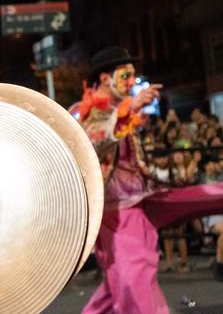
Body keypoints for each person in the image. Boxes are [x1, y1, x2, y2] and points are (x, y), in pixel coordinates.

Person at [75, 46, 167, 314]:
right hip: (118, 209)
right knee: (134, 279)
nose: (131, 83)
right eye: (125, 76)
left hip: (128, 206)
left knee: (120, 282)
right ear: (105, 79)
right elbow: (91, 143)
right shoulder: (90, 110)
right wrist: (129, 110)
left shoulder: (119, 109)